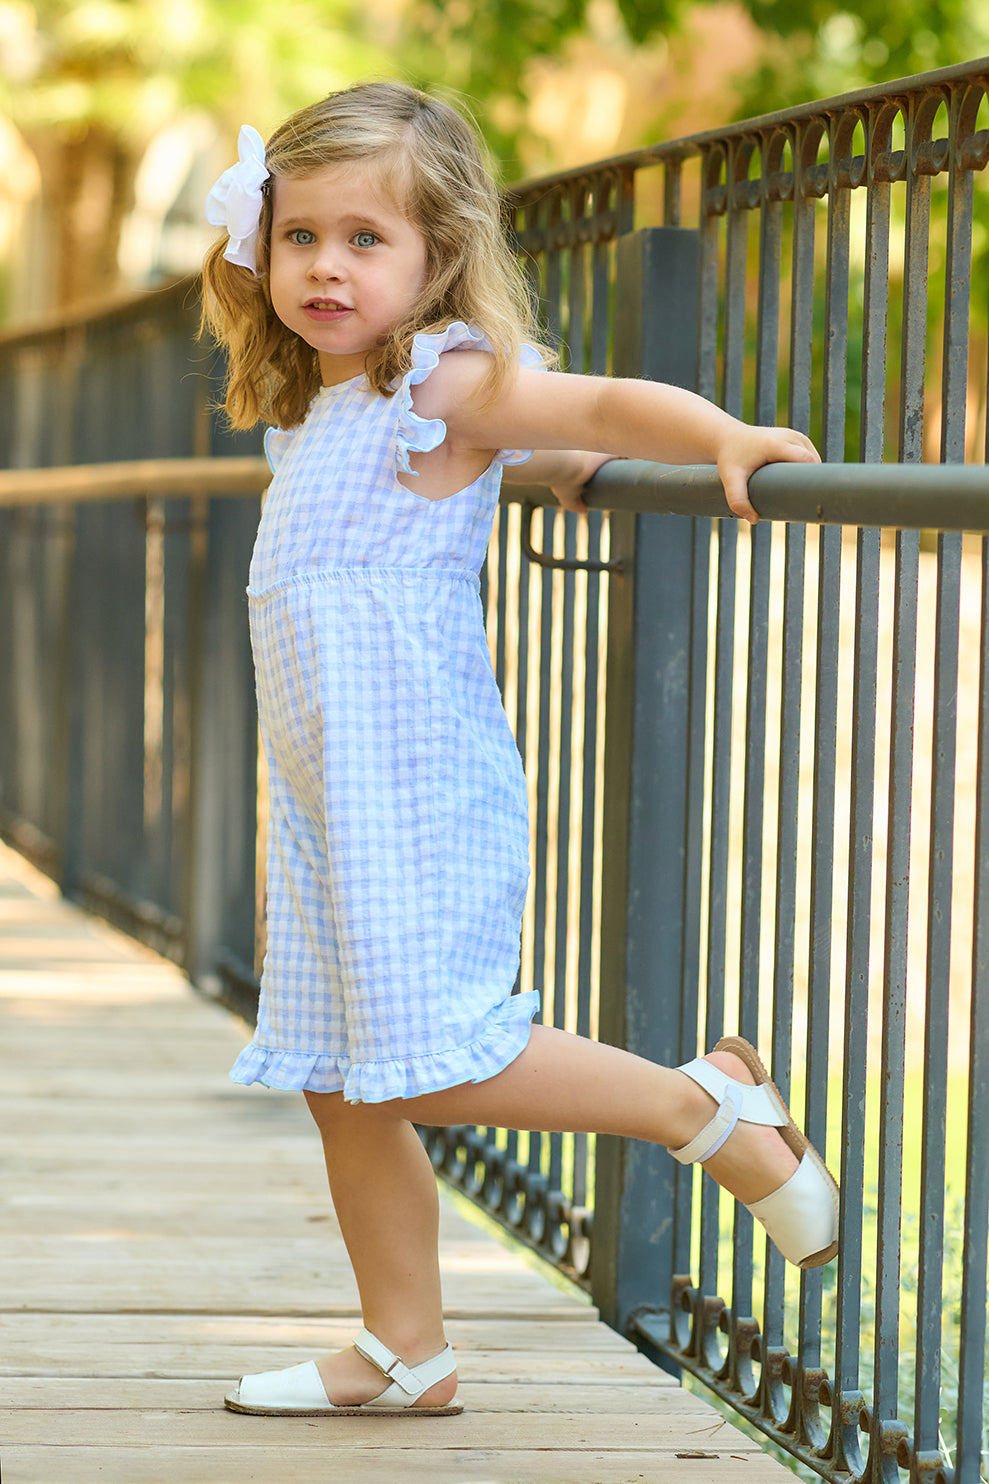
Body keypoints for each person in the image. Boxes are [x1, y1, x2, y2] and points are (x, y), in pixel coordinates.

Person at [201, 80, 836, 1420]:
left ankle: (704, 1112)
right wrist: (530, 464)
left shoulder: (448, 378)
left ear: (439, 259)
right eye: (302, 234)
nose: (326, 264)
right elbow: (529, 454)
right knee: (337, 1078)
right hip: (323, 796)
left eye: (366, 239)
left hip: (413, 782)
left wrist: (719, 439)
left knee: (433, 1057)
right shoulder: (315, 405)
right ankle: (404, 1350)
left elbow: (596, 408)